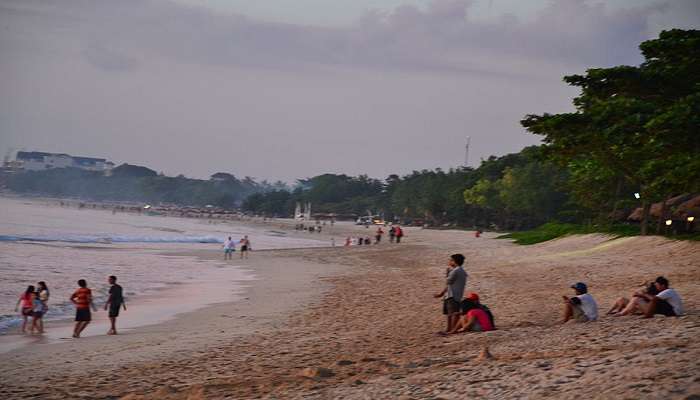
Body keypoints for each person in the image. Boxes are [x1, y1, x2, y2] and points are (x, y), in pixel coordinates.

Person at [434, 254, 467, 334]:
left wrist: (447, 273)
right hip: (453, 294)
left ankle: (451, 330)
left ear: (454, 261)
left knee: (452, 313)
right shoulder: (461, 270)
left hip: (452, 295)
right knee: (450, 313)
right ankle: (449, 329)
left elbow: (448, 281)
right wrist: (441, 294)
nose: (449, 261)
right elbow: (450, 284)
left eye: (450, 260)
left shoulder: (455, 271)